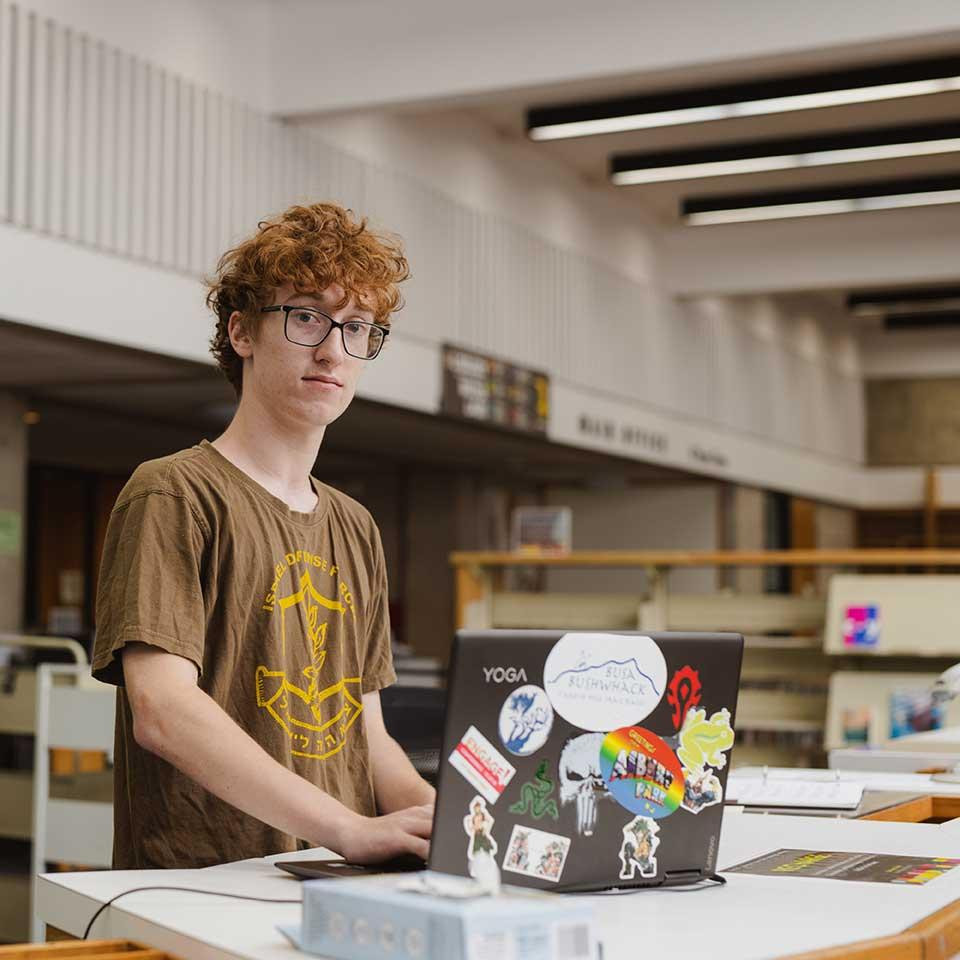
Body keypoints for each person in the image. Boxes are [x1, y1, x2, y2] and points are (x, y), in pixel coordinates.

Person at [92, 202, 435, 869]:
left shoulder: (354, 525)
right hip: (204, 886)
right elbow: (162, 710)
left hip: (330, 881)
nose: (334, 349)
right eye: (306, 316)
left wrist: (451, 820)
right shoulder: (174, 493)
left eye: (358, 327)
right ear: (243, 332)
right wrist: (348, 828)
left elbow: (367, 735)